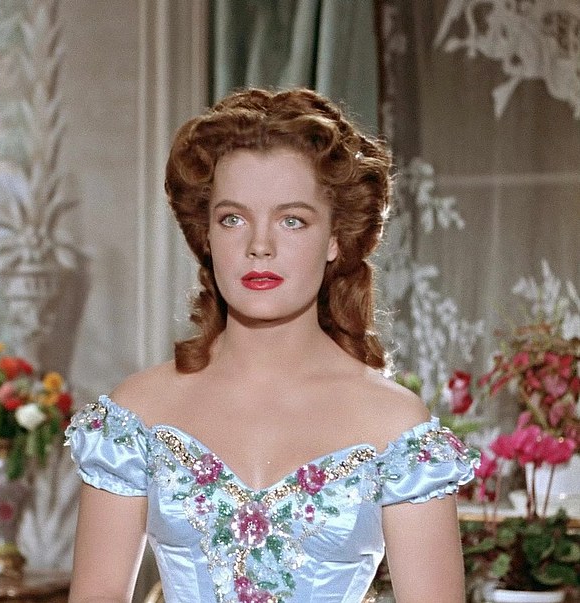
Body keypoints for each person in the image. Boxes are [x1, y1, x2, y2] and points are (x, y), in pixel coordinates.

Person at [65, 88, 478, 603]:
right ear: (207, 235)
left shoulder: (395, 428)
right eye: (233, 218)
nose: (259, 245)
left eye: (292, 220)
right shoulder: (136, 414)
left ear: (336, 237)